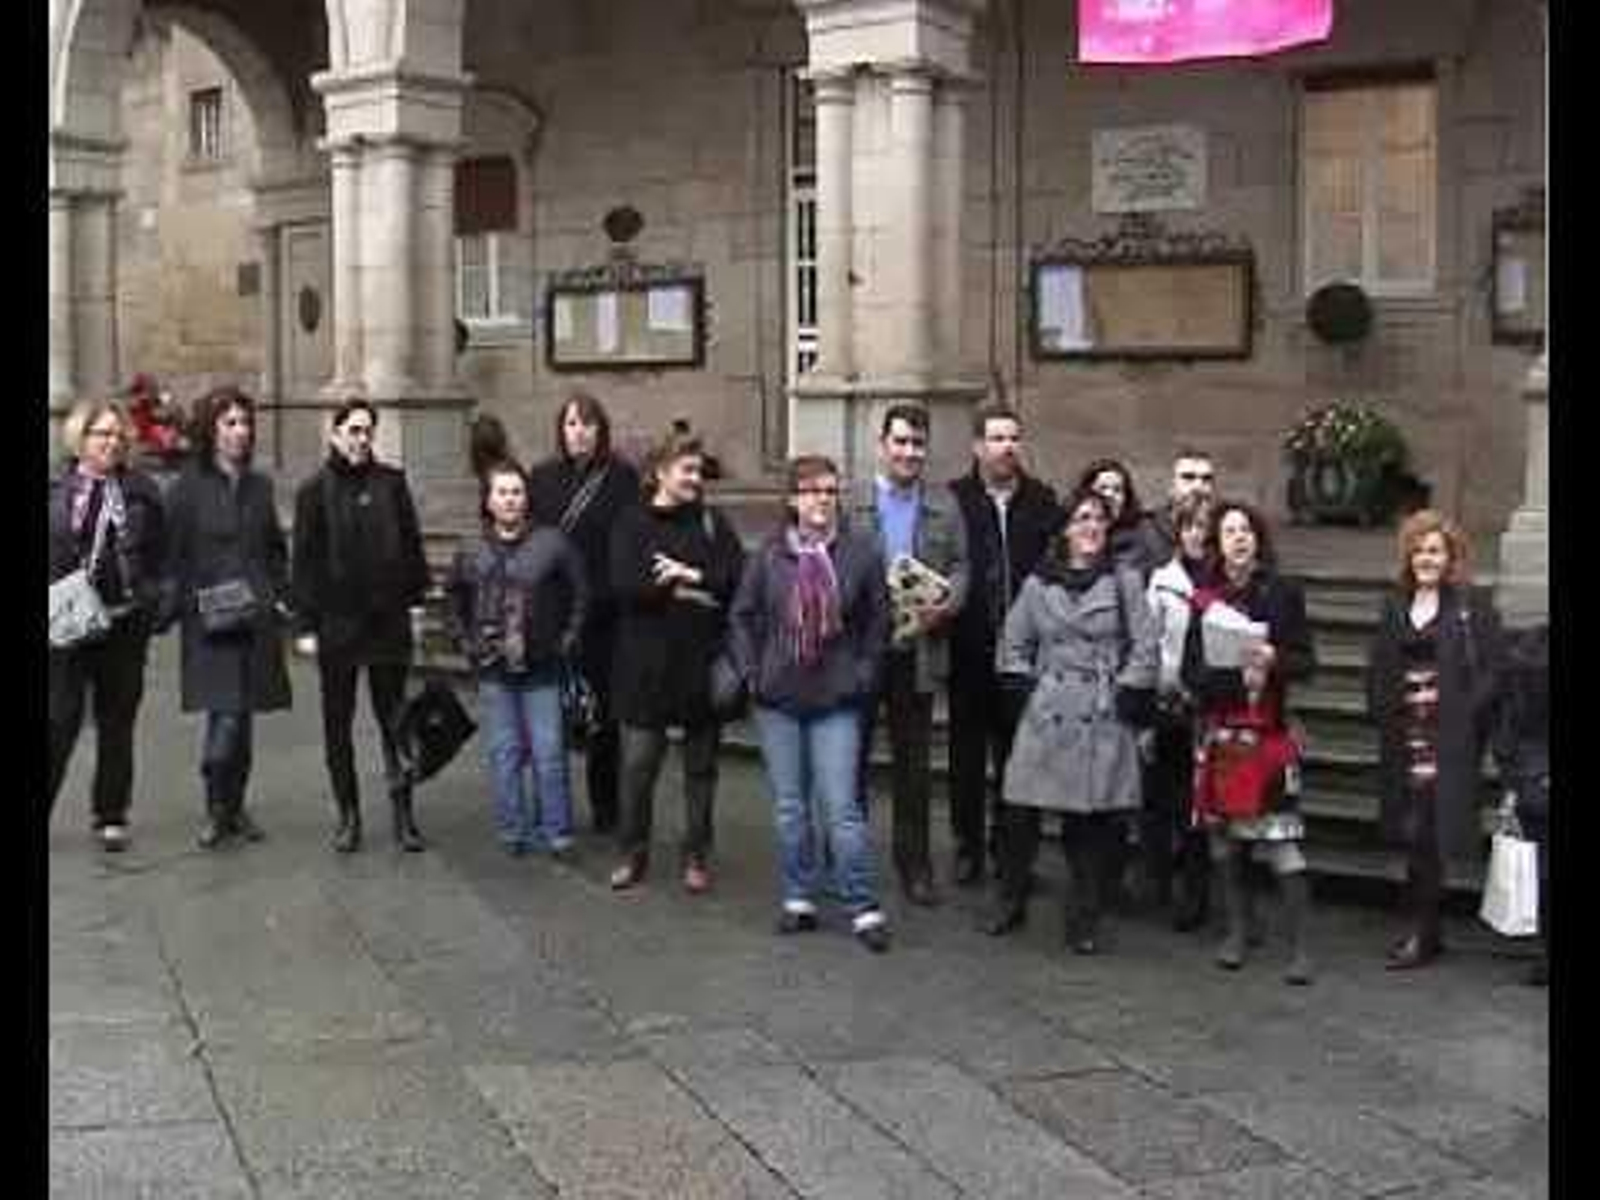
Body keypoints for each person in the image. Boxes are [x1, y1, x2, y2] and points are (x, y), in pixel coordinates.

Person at [728, 455, 893, 951]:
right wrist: (752, 671)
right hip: (779, 697)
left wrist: (863, 674)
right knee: (790, 807)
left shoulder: (860, 554)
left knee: (841, 808)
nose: (822, 500)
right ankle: (798, 896)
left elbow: (877, 624)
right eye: (812, 491)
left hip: (836, 697)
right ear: (793, 500)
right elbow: (743, 616)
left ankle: (861, 904)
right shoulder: (769, 555)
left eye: (829, 491)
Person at [987, 486, 1159, 953]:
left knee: (1089, 825)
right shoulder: (1039, 584)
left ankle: (1084, 917)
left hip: (1101, 712)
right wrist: (1025, 688)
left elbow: (1146, 645)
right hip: (1048, 709)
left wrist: (1126, 689)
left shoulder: (1125, 582)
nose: (1091, 528)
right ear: (1065, 529)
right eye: (1081, 519)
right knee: (1021, 812)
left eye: (1099, 520)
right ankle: (1011, 899)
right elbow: (1013, 644)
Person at [606, 426, 745, 893]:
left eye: (698, 470)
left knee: (701, 770)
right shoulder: (631, 523)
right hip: (644, 669)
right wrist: (678, 587)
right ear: (660, 473)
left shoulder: (711, 523)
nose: (695, 478)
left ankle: (696, 855)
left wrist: (691, 574)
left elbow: (733, 577)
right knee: (638, 768)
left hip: (699, 666)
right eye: (686, 470)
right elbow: (624, 585)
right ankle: (632, 851)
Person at [1184, 500, 1318, 985]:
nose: (1238, 538)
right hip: (1222, 732)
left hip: (1269, 734)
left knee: (1283, 846)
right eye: (1228, 531)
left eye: (1246, 530)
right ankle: (1238, 932)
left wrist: (1273, 657)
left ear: (1257, 539)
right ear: (1218, 544)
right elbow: (1190, 672)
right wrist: (1231, 675)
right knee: (1224, 846)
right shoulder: (1206, 599)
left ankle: (1302, 948)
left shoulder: (1283, 593)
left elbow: (1306, 662)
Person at [291, 399, 432, 853]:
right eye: (353, 430)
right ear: (334, 435)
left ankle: (404, 815)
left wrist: (415, 603)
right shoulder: (314, 491)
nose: (361, 438)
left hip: (387, 623)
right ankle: (347, 814)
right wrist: (306, 625)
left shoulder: (391, 483)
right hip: (339, 626)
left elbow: (411, 548)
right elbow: (305, 564)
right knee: (338, 724)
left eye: (368, 430)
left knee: (395, 721)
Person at [1368, 511, 1504, 970]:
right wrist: (1381, 708)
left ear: (1450, 558)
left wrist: (1465, 717)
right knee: (1413, 832)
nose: (1427, 559)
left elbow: (1492, 670)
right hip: (1404, 735)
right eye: (1420, 551)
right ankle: (1427, 929)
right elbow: (1379, 665)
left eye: (1435, 551)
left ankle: (1422, 933)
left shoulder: (1471, 605)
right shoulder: (1394, 603)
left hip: (1445, 738)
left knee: (1429, 832)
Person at [159, 387, 292, 848]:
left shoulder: (259, 486)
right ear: (210, 430)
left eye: (245, 423)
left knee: (244, 719)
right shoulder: (186, 490)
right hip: (210, 621)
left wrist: (276, 592)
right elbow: (171, 556)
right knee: (226, 718)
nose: (240, 431)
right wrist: (179, 602)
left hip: (252, 618)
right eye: (230, 423)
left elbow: (274, 548)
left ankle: (234, 806)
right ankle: (217, 805)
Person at [848, 403, 968, 906]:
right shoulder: (852, 502)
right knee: (848, 760)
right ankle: (846, 860)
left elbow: (962, 567)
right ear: (883, 445)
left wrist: (947, 605)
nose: (908, 452)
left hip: (917, 650)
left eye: (917, 444)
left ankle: (914, 864)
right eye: (899, 442)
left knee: (913, 767)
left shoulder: (944, 506)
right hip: (861, 651)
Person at [946, 402, 1063, 886]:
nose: (1006, 447)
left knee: (1020, 760)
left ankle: (1014, 853)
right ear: (977, 446)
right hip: (970, 648)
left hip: (1025, 654)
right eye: (996, 438)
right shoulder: (954, 498)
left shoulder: (1042, 500)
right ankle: (968, 847)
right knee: (967, 758)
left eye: (1013, 437)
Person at [446, 461, 588, 858]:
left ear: (527, 499)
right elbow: (453, 597)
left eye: (517, 492)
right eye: (502, 492)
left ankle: (557, 831)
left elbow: (580, 593)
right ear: (489, 501)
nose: (510, 499)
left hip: (541, 666)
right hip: (493, 668)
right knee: (504, 753)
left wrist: (567, 638)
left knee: (549, 753)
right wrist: (465, 640)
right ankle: (512, 829)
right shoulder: (471, 548)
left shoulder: (553, 543)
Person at [49, 400, 168, 851]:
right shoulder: (57, 489)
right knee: (59, 720)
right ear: (81, 438)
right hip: (67, 621)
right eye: (103, 434)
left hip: (123, 624)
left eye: (119, 436)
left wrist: (155, 600)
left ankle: (111, 815)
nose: (112, 443)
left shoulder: (142, 492)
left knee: (117, 723)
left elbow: (161, 554)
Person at [527, 393, 642, 834]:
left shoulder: (622, 479)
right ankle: (552, 808)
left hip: (603, 615)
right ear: (561, 430)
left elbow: (629, 540)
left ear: (601, 430)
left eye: (588, 423)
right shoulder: (542, 478)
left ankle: (606, 806)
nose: (579, 432)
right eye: (572, 423)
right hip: (552, 612)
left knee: (604, 720)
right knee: (548, 717)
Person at [1143, 493, 1218, 931]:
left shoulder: (1222, 581)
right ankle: (1160, 882)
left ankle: (1197, 891)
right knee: (1164, 800)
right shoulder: (1163, 581)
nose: (1197, 535)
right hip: (1169, 703)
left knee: (1200, 806)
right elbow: (1152, 643)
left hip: (1210, 707)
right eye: (1190, 526)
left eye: (1204, 528)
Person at [1494, 623, 1548, 987]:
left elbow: (1508, 730)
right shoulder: (1530, 650)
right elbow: (1510, 725)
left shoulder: (1529, 648)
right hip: (1536, 776)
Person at [1133, 447, 1218, 571]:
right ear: (1171, 485)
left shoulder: (1223, 529)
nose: (1198, 486)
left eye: (1206, 479)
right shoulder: (1144, 529)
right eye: (1188, 477)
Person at [1076, 458, 1154, 574]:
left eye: (1117, 490)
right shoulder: (1072, 538)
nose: (1110, 495)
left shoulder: (1143, 542)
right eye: (1102, 488)